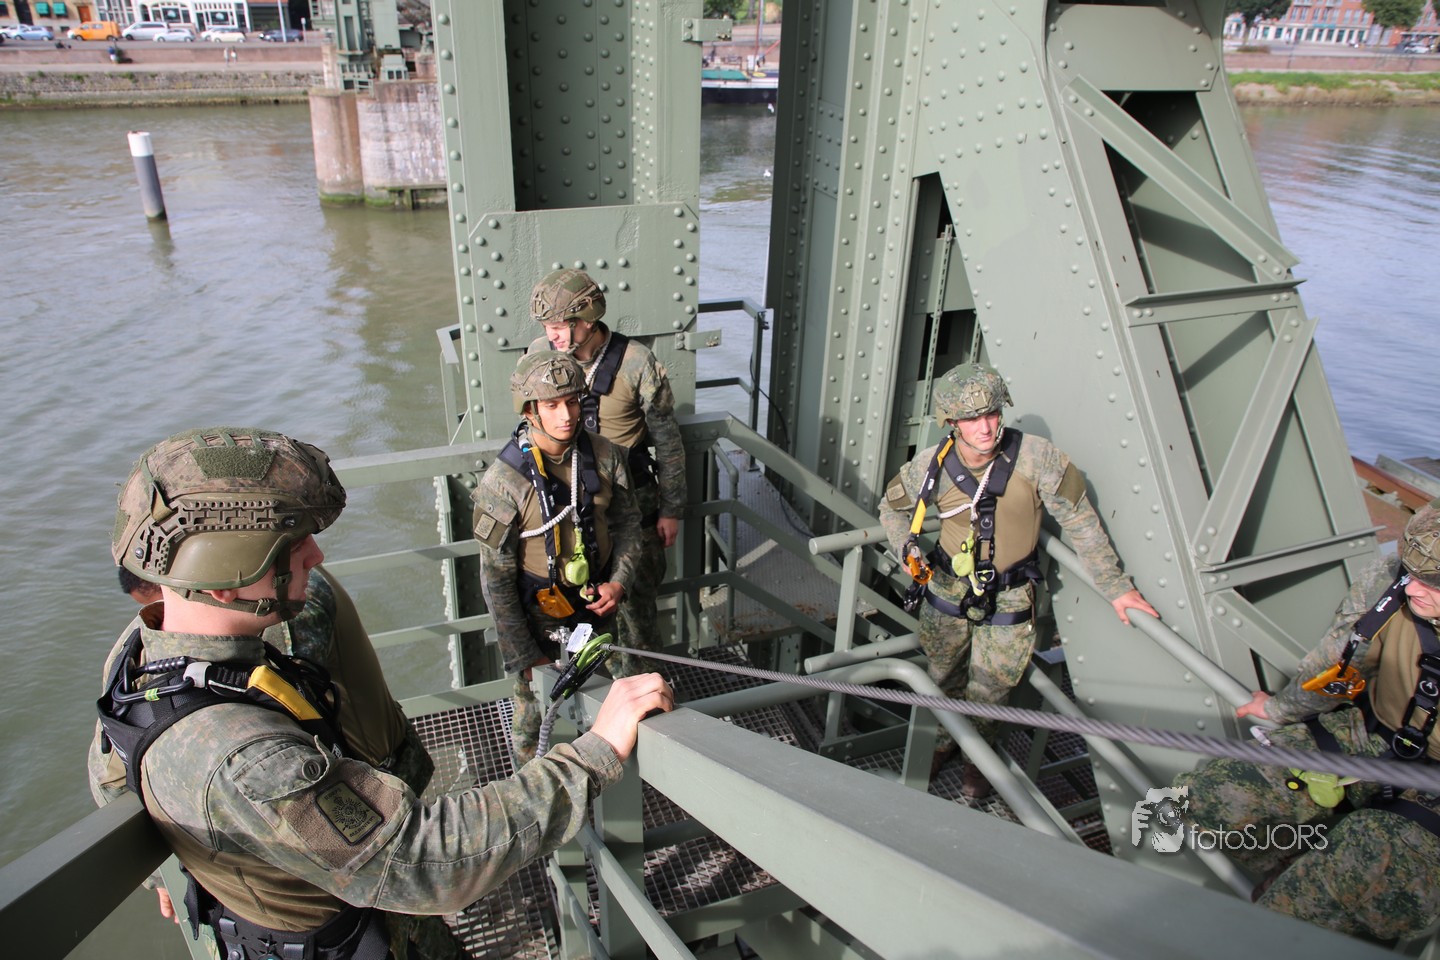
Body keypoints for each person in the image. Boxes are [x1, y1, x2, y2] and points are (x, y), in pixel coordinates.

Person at [91, 426, 672, 960]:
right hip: (349, 927)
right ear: (227, 580)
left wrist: (161, 872)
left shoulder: (142, 654)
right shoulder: (247, 762)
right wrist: (593, 753)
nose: (316, 557)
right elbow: (430, 859)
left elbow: (111, 767)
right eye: (291, 548)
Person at [878, 363, 1156, 798]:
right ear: (951, 422)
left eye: (992, 414)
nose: (986, 427)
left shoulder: (1037, 458)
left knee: (991, 690)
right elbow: (890, 508)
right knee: (942, 675)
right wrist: (906, 550)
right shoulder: (931, 465)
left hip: (1009, 594)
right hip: (948, 588)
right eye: (972, 418)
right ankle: (941, 744)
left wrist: (1116, 587)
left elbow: (1080, 520)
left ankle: (978, 763)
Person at [1174, 499, 1440, 942]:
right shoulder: (1389, 583)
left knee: (1366, 869)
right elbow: (1337, 659)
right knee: (1209, 795)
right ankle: (1294, 872)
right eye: (1411, 571)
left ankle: (1317, 911)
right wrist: (1279, 709)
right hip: (1372, 736)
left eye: (1432, 583)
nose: (1413, 588)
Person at [474, 352, 645, 765]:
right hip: (539, 618)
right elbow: (496, 579)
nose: (566, 415)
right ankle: (531, 788)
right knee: (533, 722)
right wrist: (524, 656)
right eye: (551, 405)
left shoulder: (605, 456)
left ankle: (617, 776)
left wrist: (618, 582)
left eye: (572, 402)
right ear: (529, 411)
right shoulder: (504, 482)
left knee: (624, 700)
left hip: (597, 605)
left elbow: (628, 526)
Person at [526, 267, 685, 678]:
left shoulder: (636, 362)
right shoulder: (541, 356)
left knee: (638, 614)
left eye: (559, 325)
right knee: (581, 613)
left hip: (633, 503)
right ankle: (602, 696)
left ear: (588, 318)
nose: (551, 335)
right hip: (573, 509)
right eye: (546, 326)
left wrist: (671, 509)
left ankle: (648, 695)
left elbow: (668, 442)